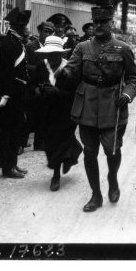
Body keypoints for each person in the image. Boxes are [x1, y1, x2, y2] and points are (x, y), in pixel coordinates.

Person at [60, 6, 136, 212]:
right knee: (89, 152)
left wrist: (127, 95)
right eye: (95, 23)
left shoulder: (123, 48)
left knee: (112, 150)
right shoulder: (82, 47)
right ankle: (96, 194)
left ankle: (112, 179)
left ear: (110, 24)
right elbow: (71, 69)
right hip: (87, 104)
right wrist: (62, 72)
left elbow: (132, 78)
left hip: (113, 104)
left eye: (103, 23)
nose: (98, 27)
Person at [31, 36, 83, 191]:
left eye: (55, 54)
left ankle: (56, 176)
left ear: (61, 54)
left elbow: (75, 95)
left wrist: (57, 92)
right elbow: (32, 84)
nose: (51, 58)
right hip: (46, 112)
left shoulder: (69, 69)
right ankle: (72, 154)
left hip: (65, 113)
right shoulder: (42, 66)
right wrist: (38, 90)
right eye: (49, 54)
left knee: (59, 141)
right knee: (49, 142)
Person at [0, 7, 31, 179]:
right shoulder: (9, 44)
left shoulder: (16, 43)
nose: (25, 28)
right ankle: (7, 167)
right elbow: (5, 73)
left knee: (15, 130)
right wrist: (6, 95)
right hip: (10, 95)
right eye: (22, 25)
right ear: (16, 26)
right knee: (8, 132)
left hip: (18, 93)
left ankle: (13, 163)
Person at [24, 21, 55, 151]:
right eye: (45, 31)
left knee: (44, 114)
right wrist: (38, 69)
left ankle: (39, 143)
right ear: (39, 32)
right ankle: (22, 143)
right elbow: (25, 65)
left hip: (46, 85)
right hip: (32, 84)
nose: (47, 34)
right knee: (29, 116)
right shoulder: (31, 46)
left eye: (50, 32)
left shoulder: (52, 47)